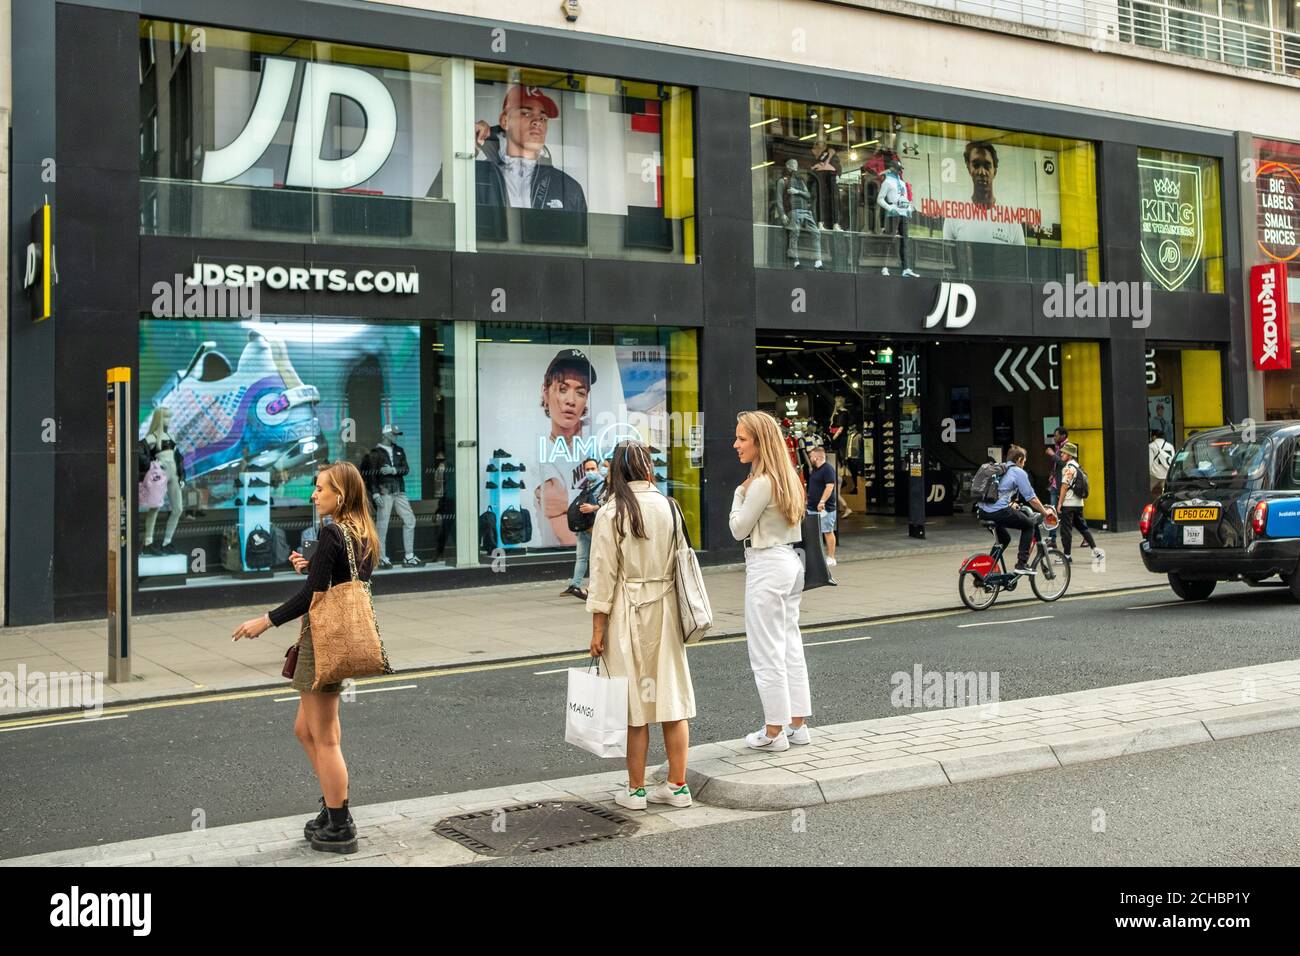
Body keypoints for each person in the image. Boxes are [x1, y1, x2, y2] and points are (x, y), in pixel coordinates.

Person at [231, 461, 381, 855]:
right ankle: (333, 807)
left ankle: (340, 823)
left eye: (320, 488)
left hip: (324, 641)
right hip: (335, 637)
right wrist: (310, 567)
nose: (314, 495)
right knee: (305, 730)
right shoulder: (360, 532)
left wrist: (265, 621)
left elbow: (311, 598)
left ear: (340, 495)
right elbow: (337, 583)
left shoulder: (333, 532)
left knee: (326, 737)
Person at [587, 441, 696, 811]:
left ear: (616, 471)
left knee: (635, 704)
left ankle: (635, 791)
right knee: (670, 698)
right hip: (665, 610)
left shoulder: (610, 511)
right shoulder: (669, 506)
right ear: (648, 468)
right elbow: (682, 560)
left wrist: (597, 630)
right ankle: (678, 786)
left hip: (626, 614)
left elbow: (602, 575)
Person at [730, 410, 812, 752]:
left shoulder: (759, 483)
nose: (736, 444)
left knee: (766, 651)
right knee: (790, 644)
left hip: (767, 564)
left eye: (742, 439)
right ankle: (798, 725)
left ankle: (773, 732)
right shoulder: (788, 476)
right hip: (790, 562)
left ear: (760, 442)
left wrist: (739, 493)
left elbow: (738, 529)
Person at [472, 85, 587, 213]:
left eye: (543, 118)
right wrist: (470, 146)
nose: (537, 122)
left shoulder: (569, 189)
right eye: (526, 113)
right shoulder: (474, 176)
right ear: (505, 121)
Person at [536, 348, 596, 548]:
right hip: (563, 550)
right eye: (563, 389)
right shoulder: (538, 457)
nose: (571, 400)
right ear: (545, 392)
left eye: (580, 392)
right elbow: (567, 535)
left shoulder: (599, 439)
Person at [975, 444, 1054, 574]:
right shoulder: (1018, 472)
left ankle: (986, 571)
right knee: (1029, 525)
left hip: (983, 512)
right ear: (1019, 460)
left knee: (1004, 539)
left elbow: (998, 492)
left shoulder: (1000, 468)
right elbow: (1031, 498)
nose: (1024, 464)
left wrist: (1010, 504)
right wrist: (1045, 512)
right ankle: (1021, 564)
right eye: (1024, 462)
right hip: (998, 512)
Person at [942, 141, 1027, 245]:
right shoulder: (954, 216)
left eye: (987, 166)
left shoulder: (1011, 219)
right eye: (976, 165)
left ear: (995, 171)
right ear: (969, 168)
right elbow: (948, 258)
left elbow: (1020, 259)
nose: (982, 172)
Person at [362, 424, 421, 569]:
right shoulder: (375, 453)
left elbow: (406, 469)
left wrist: (393, 470)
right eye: (393, 434)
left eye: (396, 434)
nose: (395, 436)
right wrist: (375, 493)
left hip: (399, 491)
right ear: (386, 434)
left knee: (410, 520)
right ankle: (381, 557)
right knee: (382, 525)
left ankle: (409, 555)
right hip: (384, 491)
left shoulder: (399, 450)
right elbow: (371, 476)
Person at [771, 158, 824, 270]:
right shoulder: (782, 181)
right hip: (793, 211)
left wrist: (797, 191)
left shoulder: (800, 180)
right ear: (788, 166)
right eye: (793, 165)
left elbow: (808, 195)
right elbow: (779, 200)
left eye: (796, 164)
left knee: (816, 233)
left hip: (805, 211)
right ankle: (795, 262)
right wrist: (782, 215)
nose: (795, 166)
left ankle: (818, 262)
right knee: (794, 234)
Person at [562, 457, 603, 600]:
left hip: (595, 527)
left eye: (593, 469)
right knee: (581, 557)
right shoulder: (587, 486)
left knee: (596, 559)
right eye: (587, 469)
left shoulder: (604, 485)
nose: (590, 472)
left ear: (598, 470)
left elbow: (610, 503)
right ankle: (575, 585)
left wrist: (594, 507)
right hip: (583, 527)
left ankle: (594, 589)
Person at [1056, 442, 1103, 564]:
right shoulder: (1078, 467)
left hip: (1068, 504)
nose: (1061, 454)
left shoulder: (1068, 468)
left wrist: (1060, 503)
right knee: (1083, 528)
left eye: (1064, 452)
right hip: (1079, 504)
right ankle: (1097, 552)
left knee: (1066, 530)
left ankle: (1066, 556)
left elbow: (1064, 487)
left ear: (1070, 455)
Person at [877, 158, 918, 276]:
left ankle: (906, 267)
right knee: (889, 239)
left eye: (900, 170)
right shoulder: (887, 181)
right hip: (893, 213)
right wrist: (890, 208)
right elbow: (879, 199)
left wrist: (909, 208)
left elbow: (904, 198)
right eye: (897, 169)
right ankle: (884, 266)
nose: (899, 172)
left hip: (903, 213)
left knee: (905, 241)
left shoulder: (902, 182)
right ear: (892, 169)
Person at [806, 445, 838, 566]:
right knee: (813, 532)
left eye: (811, 456)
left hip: (825, 508)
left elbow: (830, 487)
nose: (809, 458)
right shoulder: (815, 470)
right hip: (812, 507)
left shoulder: (827, 469)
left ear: (817, 457)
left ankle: (831, 557)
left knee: (827, 531)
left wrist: (822, 501)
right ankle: (818, 558)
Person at [809, 139, 842, 231]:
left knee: (833, 200)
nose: (820, 148)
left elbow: (837, 166)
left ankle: (835, 223)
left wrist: (837, 174)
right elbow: (814, 166)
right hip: (821, 178)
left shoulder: (831, 156)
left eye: (822, 146)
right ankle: (821, 222)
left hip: (831, 177)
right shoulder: (818, 157)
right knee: (820, 199)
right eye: (818, 146)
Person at [1043, 426, 1068, 546]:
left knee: (1067, 513)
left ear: (1063, 436)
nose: (1054, 437)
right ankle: (1052, 538)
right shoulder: (1058, 446)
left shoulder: (1067, 446)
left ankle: (1085, 535)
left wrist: (1053, 454)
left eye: (1056, 435)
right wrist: (1052, 474)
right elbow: (1056, 466)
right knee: (1051, 511)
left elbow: (1064, 464)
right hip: (1055, 484)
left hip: (1062, 485)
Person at [1149, 427, 1175, 497]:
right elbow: (1172, 460)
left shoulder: (1151, 446)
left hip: (1154, 473)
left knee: (1147, 490)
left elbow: (1150, 462)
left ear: (1154, 436)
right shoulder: (1170, 446)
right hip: (1166, 473)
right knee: (1166, 494)